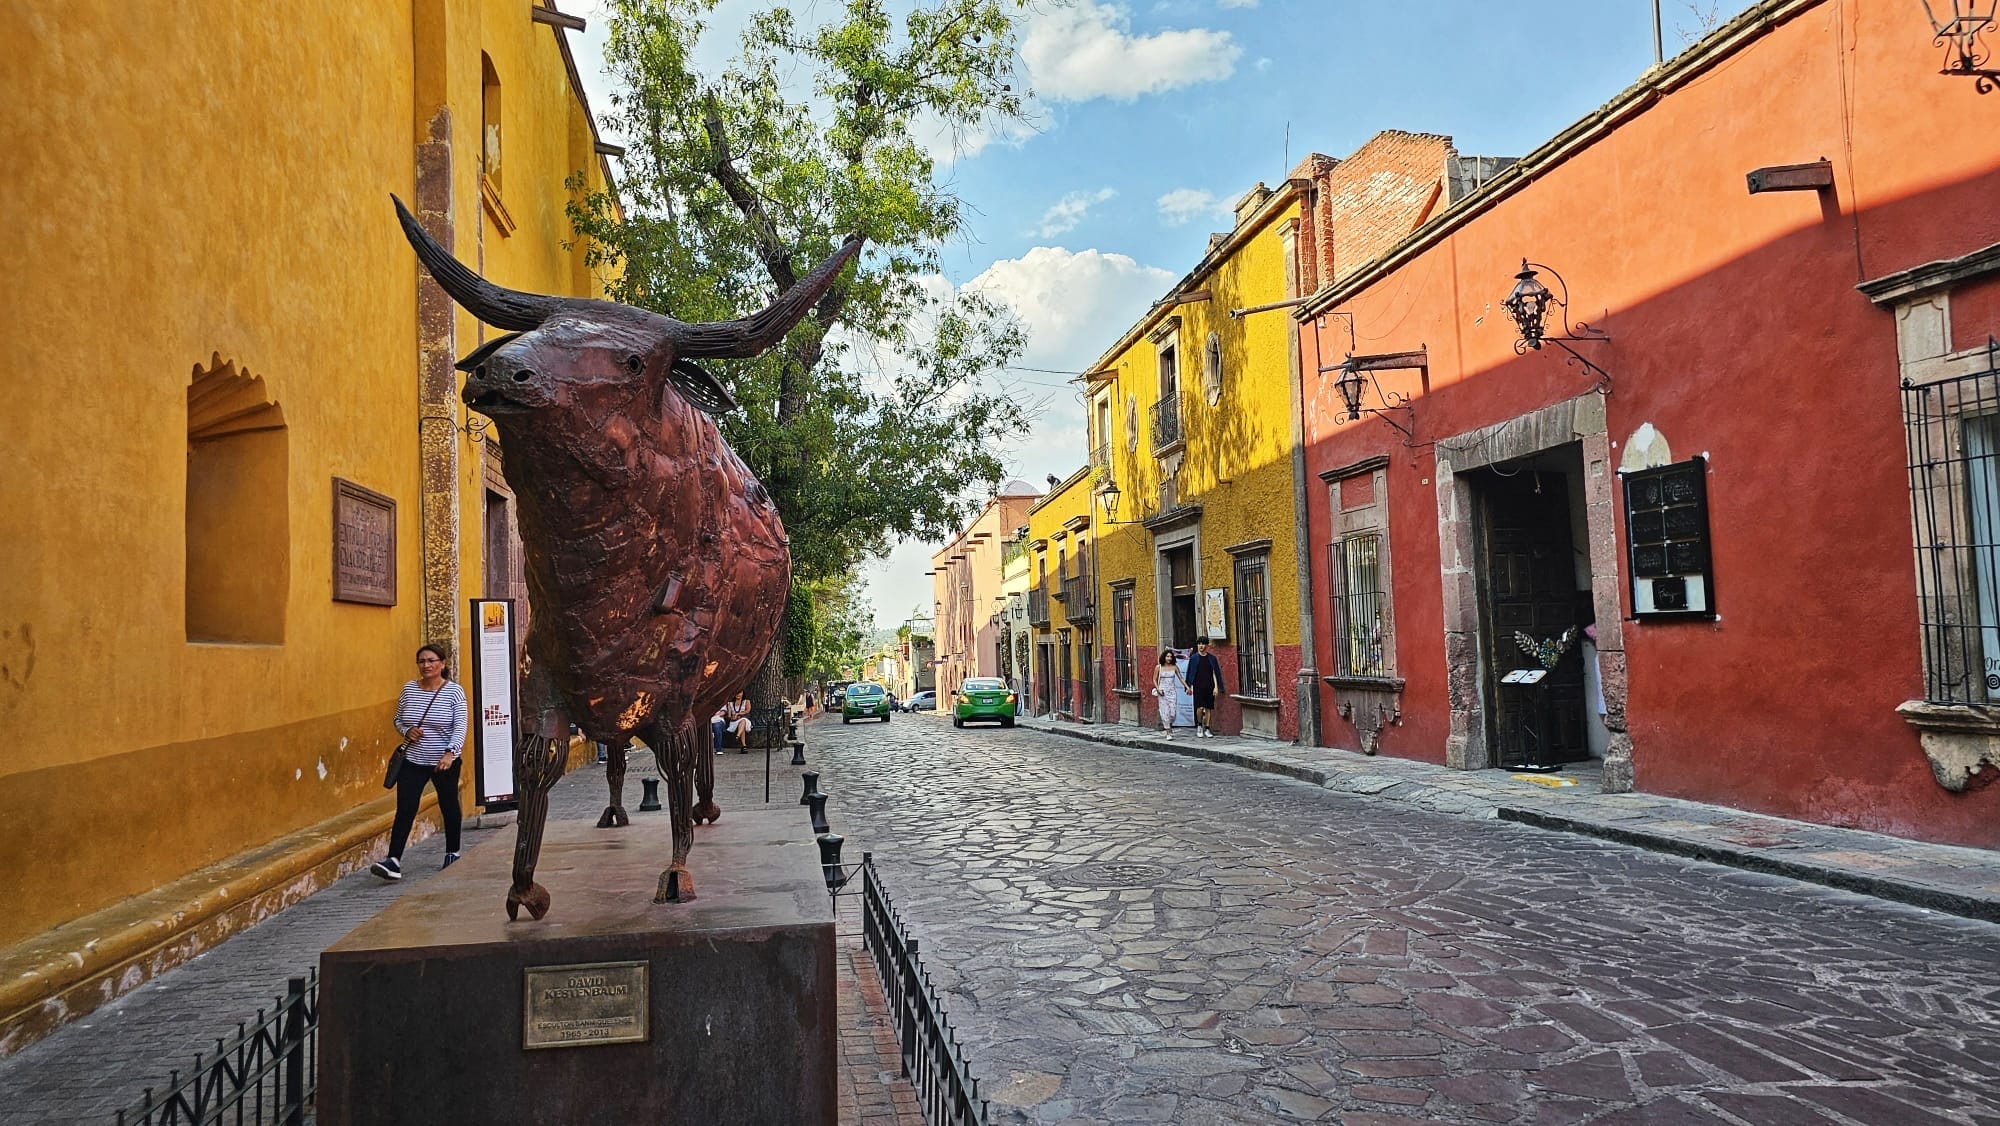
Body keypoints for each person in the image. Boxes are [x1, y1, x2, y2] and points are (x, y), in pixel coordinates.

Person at [373, 644, 468, 880]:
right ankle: (393, 860)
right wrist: (407, 730)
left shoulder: (454, 692)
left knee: (448, 805)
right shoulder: (409, 689)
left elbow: (460, 726)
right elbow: (398, 719)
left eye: (431, 661)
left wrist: (450, 754)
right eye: (422, 661)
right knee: (405, 808)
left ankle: (453, 852)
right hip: (413, 760)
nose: (426, 666)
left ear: (443, 664)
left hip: (442, 761)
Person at [1185, 636, 1226, 739]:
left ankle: (1207, 728)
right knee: (1199, 707)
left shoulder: (1212, 658)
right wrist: (1188, 686)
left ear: (1207, 645)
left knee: (1208, 708)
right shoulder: (1194, 658)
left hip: (1209, 686)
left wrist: (1216, 687)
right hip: (1198, 686)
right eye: (1199, 644)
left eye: (1203, 644)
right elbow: (1190, 673)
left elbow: (1215, 673)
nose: (1201, 646)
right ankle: (1199, 726)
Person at [1153, 649, 1188, 741]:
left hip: (1172, 692)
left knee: (1172, 713)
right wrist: (1158, 688)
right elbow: (1154, 679)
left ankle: (1169, 725)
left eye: (1170, 657)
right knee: (1165, 712)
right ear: (1164, 657)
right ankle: (1168, 732)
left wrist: (1187, 687)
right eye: (1167, 656)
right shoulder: (1158, 667)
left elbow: (1181, 678)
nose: (1169, 658)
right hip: (1162, 692)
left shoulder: (1174, 667)